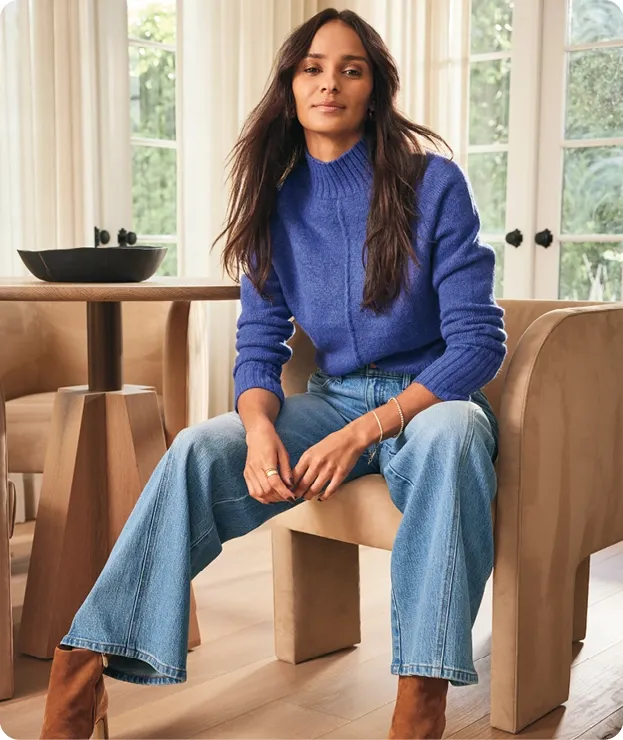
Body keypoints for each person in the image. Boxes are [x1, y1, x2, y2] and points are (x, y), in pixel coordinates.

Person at [40, 7, 506, 740]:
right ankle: (80, 665)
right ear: (289, 85)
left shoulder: (432, 183)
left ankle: (420, 699)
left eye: (351, 68)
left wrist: (365, 432)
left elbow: (477, 344)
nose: (330, 83)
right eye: (312, 67)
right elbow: (259, 347)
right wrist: (259, 430)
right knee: (198, 446)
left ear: (374, 90)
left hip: (429, 402)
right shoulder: (275, 202)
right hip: (331, 398)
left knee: (451, 437)